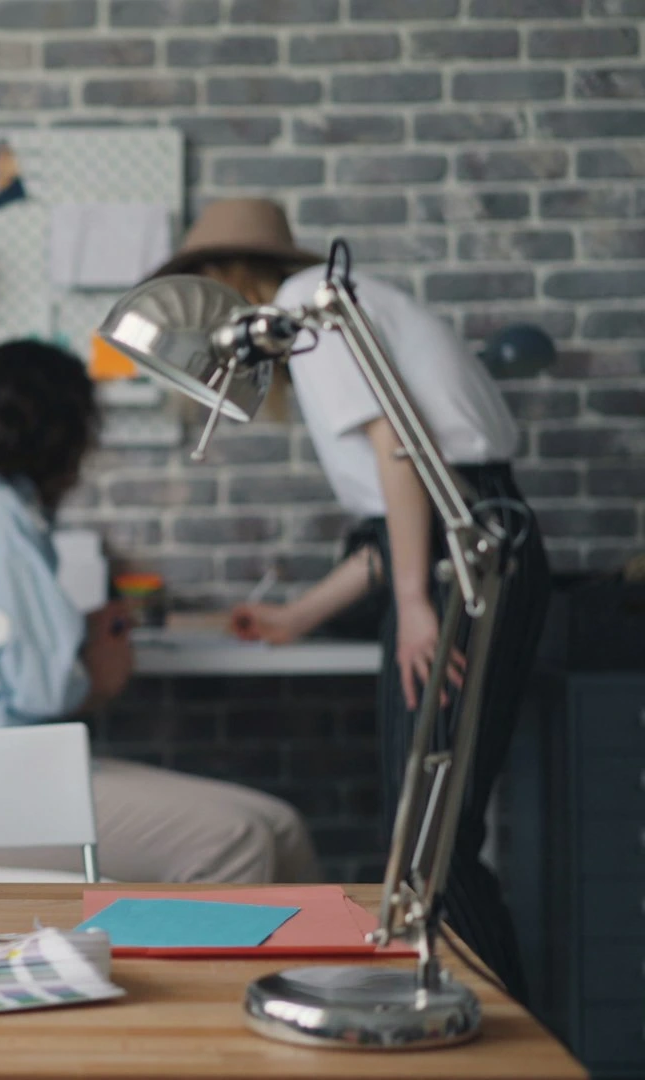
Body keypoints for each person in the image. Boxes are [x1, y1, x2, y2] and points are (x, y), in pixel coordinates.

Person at [162, 199, 547, 996]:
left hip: (466, 558)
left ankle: (510, 1040)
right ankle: (472, 1018)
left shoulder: (312, 304)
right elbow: (393, 512)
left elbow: (405, 453)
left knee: (432, 845)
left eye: (202, 289)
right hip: (467, 539)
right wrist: (298, 617)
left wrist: (414, 600)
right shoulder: (325, 310)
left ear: (227, 279)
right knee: (427, 840)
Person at [0, 340, 318, 885]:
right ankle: (214, 973)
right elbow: (45, 690)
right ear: (61, 434)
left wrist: (77, 640)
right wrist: (99, 667)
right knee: (235, 841)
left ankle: (298, 974)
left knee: (280, 825)